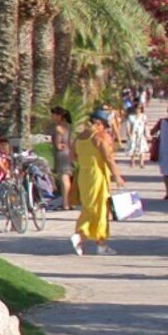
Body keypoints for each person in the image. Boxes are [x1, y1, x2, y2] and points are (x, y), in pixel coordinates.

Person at [66, 101, 115, 253]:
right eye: (104, 125)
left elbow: (71, 157)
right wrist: (118, 176)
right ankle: (84, 236)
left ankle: (95, 241)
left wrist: (85, 160)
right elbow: (108, 158)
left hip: (84, 173)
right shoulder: (99, 138)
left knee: (89, 206)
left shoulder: (80, 138)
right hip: (97, 174)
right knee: (99, 208)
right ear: (99, 123)